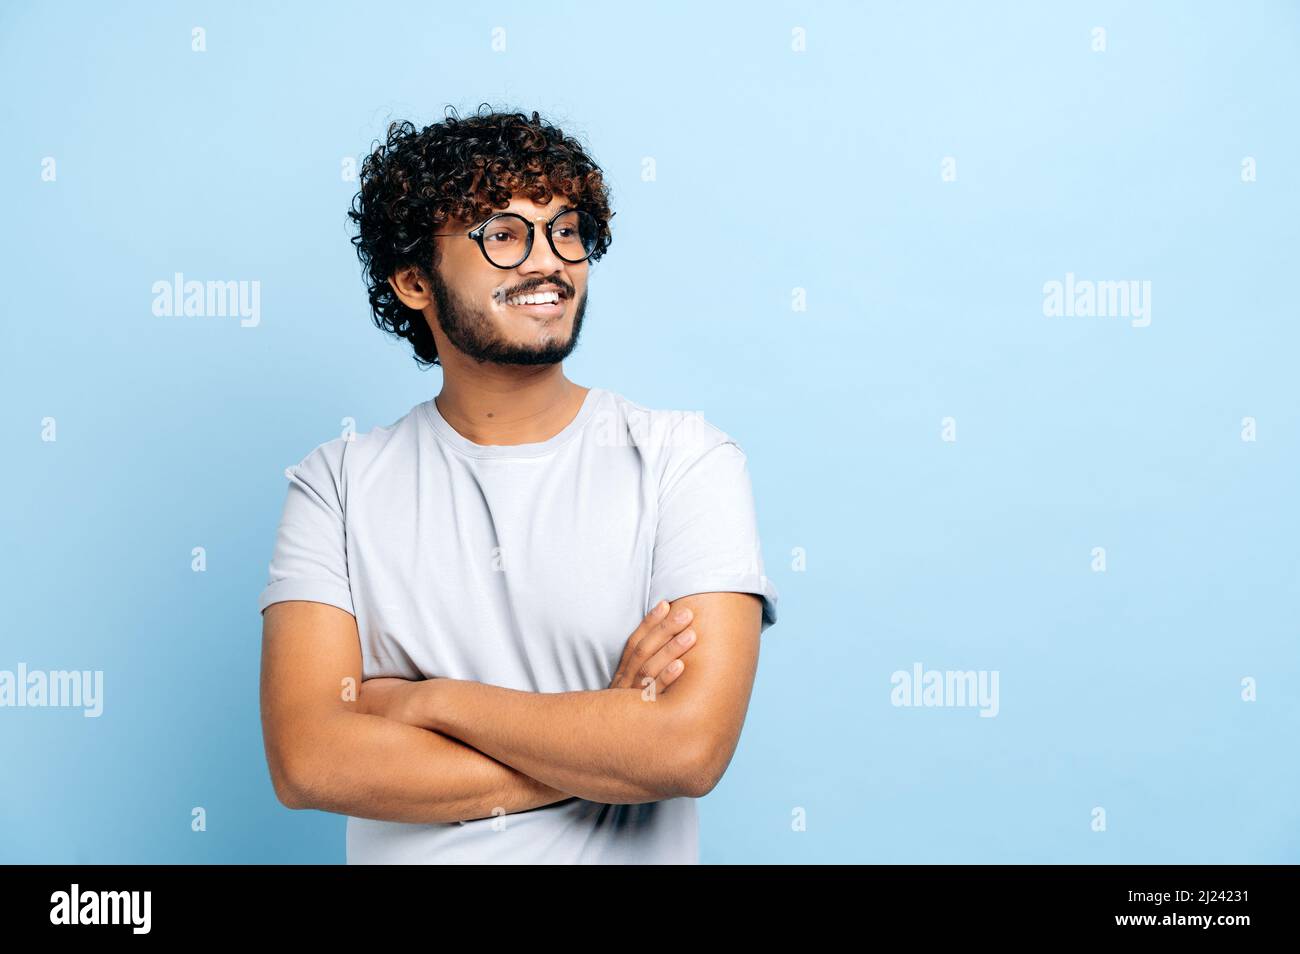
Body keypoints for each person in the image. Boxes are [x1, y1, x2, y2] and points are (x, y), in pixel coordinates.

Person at [257, 106, 779, 864]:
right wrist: (606, 736)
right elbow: (308, 761)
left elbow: (687, 751)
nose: (550, 260)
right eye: (502, 234)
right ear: (413, 282)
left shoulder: (685, 459)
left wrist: (424, 701)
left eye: (566, 229)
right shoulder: (334, 485)